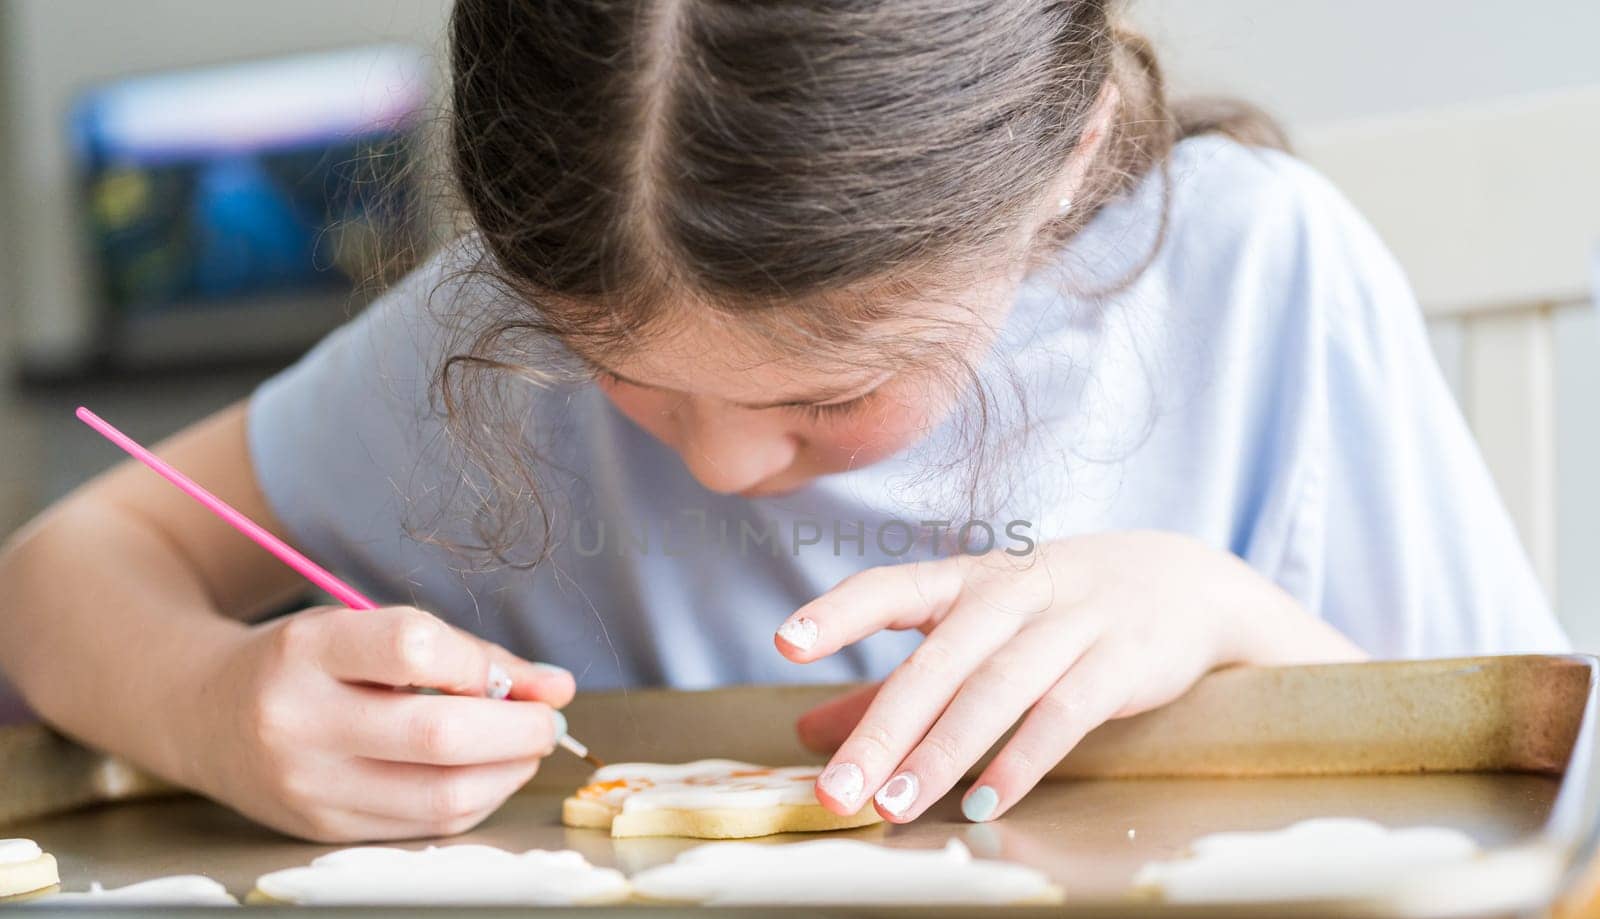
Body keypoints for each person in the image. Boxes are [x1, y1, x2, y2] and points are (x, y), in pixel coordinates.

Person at [0, 0, 1564, 842]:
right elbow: (71, 563)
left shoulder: (1255, 274)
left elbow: (1542, 793)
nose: (723, 460)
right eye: (620, 362)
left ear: (1063, 159)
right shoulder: (487, 340)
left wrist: (1228, 620)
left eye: (826, 392)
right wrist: (211, 701)